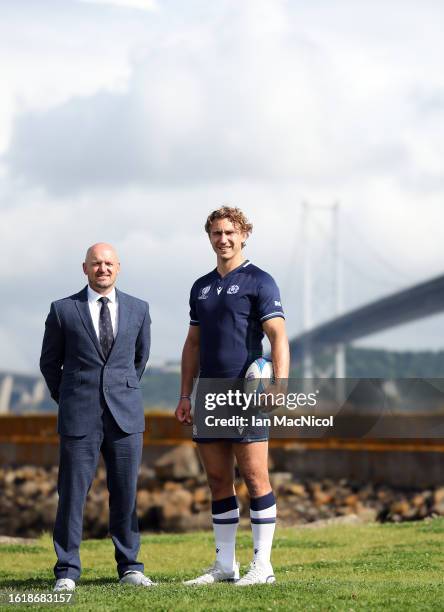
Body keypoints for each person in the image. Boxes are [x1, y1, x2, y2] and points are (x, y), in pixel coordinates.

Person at [175, 207, 290, 586]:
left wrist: (280, 384)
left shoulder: (260, 281)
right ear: (209, 237)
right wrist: (185, 395)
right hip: (208, 393)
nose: (223, 239)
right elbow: (192, 345)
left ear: (244, 235)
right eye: (216, 233)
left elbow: (277, 336)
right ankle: (225, 566)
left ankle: (263, 566)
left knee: (256, 477)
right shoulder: (200, 286)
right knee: (219, 481)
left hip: (248, 392)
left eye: (229, 232)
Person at [40, 243, 155, 591]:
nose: (102, 268)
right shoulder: (63, 310)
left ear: (118, 267)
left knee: (125, 494)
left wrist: (119, 389)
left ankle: (130, 567)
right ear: (85, 268)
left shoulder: (139, 309)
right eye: (96, 264)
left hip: (125, 416)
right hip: (79, 416)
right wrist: (72, 397)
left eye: (108, 263)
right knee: (72, 495)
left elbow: (139, 360)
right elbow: (49, 364)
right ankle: (67, 571)